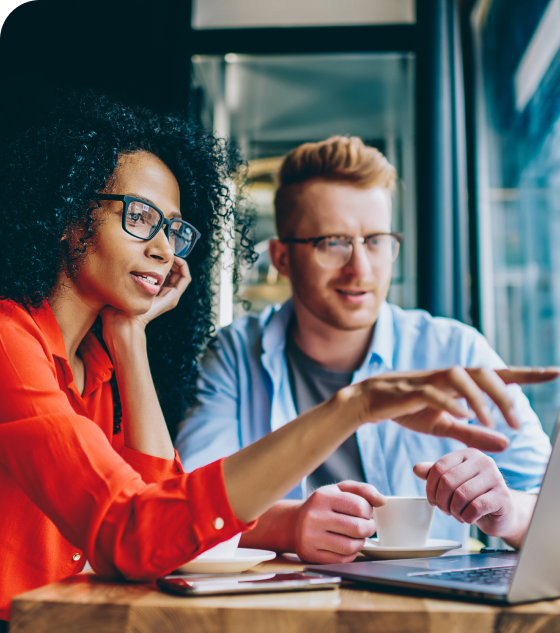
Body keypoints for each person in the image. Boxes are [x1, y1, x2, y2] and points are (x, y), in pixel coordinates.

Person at [0, 98, 554, 629]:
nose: (166, 251)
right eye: (142, 217)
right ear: (68, 213)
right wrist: (352, 410)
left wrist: (130, 337)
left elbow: (158, 512)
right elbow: (149, 527)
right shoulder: (11, 344)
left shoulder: (97, 363)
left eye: (173, 230)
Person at [176, 136, 554, 563]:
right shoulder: (235, 354)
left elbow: (552, 510)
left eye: (375, 240)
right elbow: (186, 506)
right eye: (333, 242)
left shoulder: (455, 349)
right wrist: (289, 524)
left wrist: (508, 512)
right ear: (281, 258)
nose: (361, 268)